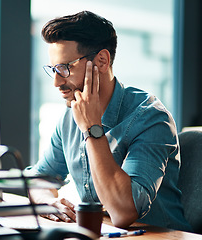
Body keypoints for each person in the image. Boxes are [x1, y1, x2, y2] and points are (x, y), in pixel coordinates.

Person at [26, 10, 192, 231]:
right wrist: (47, 201)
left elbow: (123, 212)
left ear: (102, 61)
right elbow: (39, 178)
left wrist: (92, 129)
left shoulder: (151, 119)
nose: (56, 82)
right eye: (54, 69)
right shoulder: (70, 116)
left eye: (65, 68)